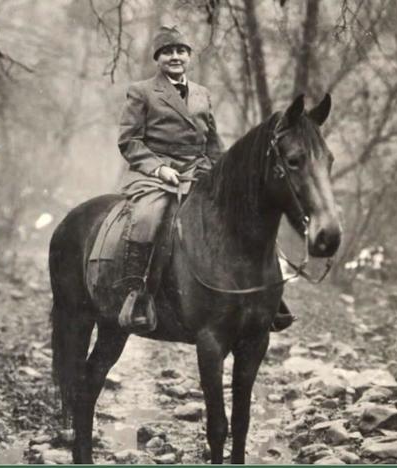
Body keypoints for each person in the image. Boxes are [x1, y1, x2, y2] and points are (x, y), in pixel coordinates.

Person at [116, 26, 293, 333]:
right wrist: (159, 168)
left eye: (180, 51)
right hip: (157, 176)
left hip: (199, 173)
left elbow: (212, 141)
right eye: (168, 52)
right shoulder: (142, 91)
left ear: (188, 57)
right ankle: (139, 295)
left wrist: (225, 174)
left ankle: (269, 296)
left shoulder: (202, 93)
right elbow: (129, 141)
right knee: (149, 219)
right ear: (158, 58)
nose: (175, 57)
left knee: (245, 214)